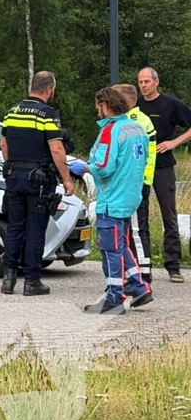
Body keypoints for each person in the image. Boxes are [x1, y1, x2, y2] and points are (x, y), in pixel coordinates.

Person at [69, 87, 152, 314]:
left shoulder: (111, 130)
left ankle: (114, 297)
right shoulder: (137, 128)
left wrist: (84, 168)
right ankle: (140, 286)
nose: (97, 111)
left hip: (112, 198)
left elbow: (105, 166)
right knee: (121, 244)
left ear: (105, 105)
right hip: (130, 195)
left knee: (110, 249)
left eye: (98, 107)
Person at [0, 71, 74, 296]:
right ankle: (32, 281)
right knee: (35, 230)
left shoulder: (11, 111)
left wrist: (14, 166)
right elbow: (57, 148)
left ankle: (8, 280)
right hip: (39, 180)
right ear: (49, 90)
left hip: (14, 177)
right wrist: (66, 179)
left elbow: (3, 144)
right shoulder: (47, 114)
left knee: (14, 227)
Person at [137, 67, 191, 283]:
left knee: (168, 214)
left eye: (147, 81)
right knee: (140, 217)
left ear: (156, 82)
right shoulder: (135, 105)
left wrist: (174, 142)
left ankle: (173, 265)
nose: (143, 85)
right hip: (138, 167)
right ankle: (144, 262)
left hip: (163, 166)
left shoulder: (171, 104)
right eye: (140, 82)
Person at [114, 83, 156, 285]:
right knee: (133, 229)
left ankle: (142, 275)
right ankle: (135, 272)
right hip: (137, 181)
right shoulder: (141, 119)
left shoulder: (135, 121)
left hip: (137, 182)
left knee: (137, 230)